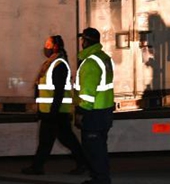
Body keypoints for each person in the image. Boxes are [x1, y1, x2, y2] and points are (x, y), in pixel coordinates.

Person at [22, 35, 88, 176]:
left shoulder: (59, 65)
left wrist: (52, 111)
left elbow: (58, 91)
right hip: (53, 111)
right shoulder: (52, 63)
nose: (45, 47)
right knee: (61, 139)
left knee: (52, 140)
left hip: (56, 112)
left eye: (48, 44)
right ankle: (83, 163)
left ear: (55, 46)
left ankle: (38, 167)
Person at [75, 27, 115, 184]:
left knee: (93, 149)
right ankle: (100, 177)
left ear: (85, 41)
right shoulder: (104, 58)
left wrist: (80, 113)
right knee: (100, 148)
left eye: (82, 40)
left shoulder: (90, 63)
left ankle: (100, 179)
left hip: (93, 113)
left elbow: (87, 93)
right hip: (104, 110)